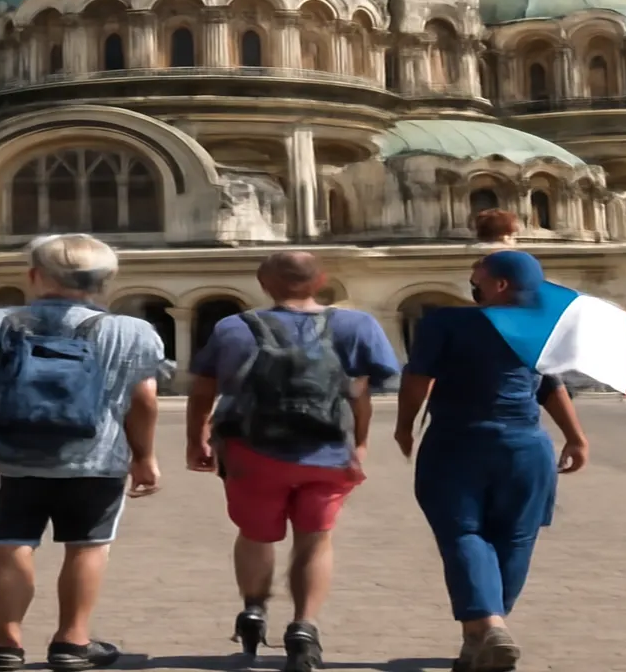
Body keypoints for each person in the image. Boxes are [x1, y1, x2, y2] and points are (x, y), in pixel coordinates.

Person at [0, 234, 169, 672]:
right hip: (97, 460)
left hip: (16, 458)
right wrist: (144, 456)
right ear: (105, 281)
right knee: (87, 547)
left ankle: (5, 643)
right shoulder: (132, 331)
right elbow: (144, 399)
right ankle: (73, 641)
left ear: (34, 276)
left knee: (12, 543)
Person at [187, 252, 401, 672]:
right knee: (315, 539)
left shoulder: (233, 327)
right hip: (327, 451)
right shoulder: (356, 325)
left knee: (255, 535)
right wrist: (359, 444)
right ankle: (304, 627)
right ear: (321, 280)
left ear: (263, 282)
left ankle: (253, 609)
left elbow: (203, 391)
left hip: (251, 452)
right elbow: (361, 393)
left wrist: (197, 439)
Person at [393, 250, 588, 672]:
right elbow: (550, 386)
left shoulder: (445, 322)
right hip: (527, 448)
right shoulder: (541, 328)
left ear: (499, 285)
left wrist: (405, 425)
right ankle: (478, 638)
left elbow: (418, 376)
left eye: (477, 277)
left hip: (457, 443)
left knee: (463, 533)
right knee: (516, 538)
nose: (472, 283)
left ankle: (490, 625)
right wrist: (575, 437)